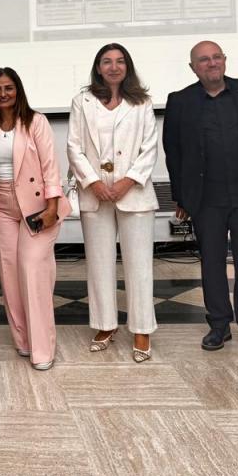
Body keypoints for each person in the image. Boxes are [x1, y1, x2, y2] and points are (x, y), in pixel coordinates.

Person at [163, 41, 238, 359]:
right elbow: (173, 154)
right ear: (193, 68)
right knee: (211, 263)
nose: (212, 63)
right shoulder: (180, 101)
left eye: (217, 57)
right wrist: (181, 197)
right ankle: (218, 325)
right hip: (206, 199)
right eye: (204, 59)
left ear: (225, 60)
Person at [67, 44, 159, 363]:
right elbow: (74, 147)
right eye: (107, 61)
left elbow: (149, 148)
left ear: (127, 66)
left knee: (139, 265)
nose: (114, 67)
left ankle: (142, 329)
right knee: (99, 263)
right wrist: (93, 182)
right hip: (95, 194)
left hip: (133, 194)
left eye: (120, 61)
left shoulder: (142, 102)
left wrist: (126, 181)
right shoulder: (82, 101)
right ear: (98, 67)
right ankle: (105, 324)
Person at [0, 68, 69, 370]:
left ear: (18, 90)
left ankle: (43, 349)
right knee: (9, 275)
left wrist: (52, 206)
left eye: (8, 88)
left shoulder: (36, 121)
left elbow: (50, 167)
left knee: (33, 272)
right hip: (1, 205)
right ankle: (23, 340)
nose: (3, 94)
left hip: (37, 206)